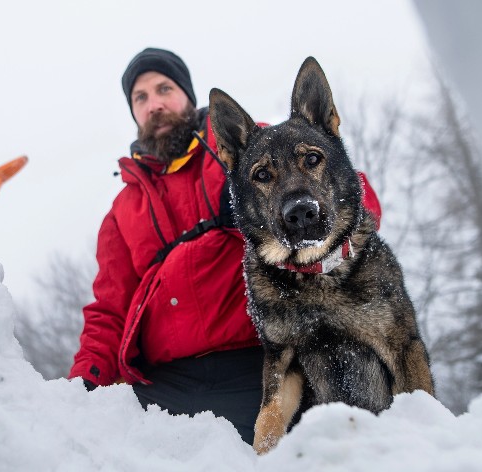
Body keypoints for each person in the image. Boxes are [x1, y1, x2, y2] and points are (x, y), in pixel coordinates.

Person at [68, 48, 381, 445]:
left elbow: (347, 190)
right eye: (141, 98)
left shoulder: (254, 153)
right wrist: (81, 388)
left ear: (188, 94)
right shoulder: (121, 211)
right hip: (163, 383)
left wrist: (329, 238)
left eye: (164, 88)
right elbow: (108, 311)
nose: (155, 104)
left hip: (261, 360)